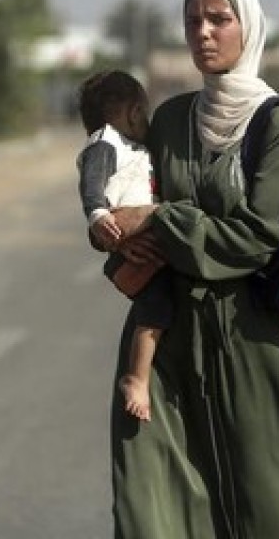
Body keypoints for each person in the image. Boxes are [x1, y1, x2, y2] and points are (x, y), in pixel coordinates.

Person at [98, 0, 279, 538]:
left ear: (249, 26)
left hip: (245, 333)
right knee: (149, 504)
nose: (204, 33)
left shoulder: (277, 125)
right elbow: (132, 204)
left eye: (219, 19)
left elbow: (256, 236)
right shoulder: (169, 119)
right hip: (162, 333)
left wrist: (163, 223)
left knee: (271, 502)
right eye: (193, 21)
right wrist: (111, 228)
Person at [75, 70, 169, 424]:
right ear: (132, 112)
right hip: (129, 249)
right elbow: (92, 185)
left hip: (140, 243)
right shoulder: (105, 142)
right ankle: (137, 378)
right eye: (143, 113)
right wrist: (99, 217)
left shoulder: (134, 148)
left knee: (160, 306)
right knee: (157, 306)